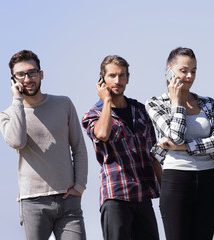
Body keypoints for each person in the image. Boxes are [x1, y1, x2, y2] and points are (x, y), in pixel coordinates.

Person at [0, 50, 88, 240]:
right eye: (20, 75)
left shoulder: (64, 104)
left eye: (32, 72)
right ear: (13, 80)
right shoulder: (7, 115)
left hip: (68, 200)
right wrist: (17, 101)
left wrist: (79, 185)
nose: (27, 79)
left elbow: (78, 147)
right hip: (32, 202)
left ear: (41, 74)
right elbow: (17, 141)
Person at [145, 47, 214, 240]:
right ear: (169, 70)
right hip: (176, 182)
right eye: (184, 70)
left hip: (208, 181)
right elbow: (176, 136)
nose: (189, 76)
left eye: (194, 71)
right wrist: (176, 103)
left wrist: (184, 147)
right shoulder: (155, 103)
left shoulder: (208, 103)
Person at [82, 55, 161, 240]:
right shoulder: (93, 115)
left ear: (127, 78)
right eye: (112, 76)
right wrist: (107, 101)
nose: (117, 81)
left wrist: (164, 191)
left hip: (143, 194)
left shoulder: (141, 111)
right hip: (116, 195)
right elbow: (102, 134)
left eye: (122, 76)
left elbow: (153, 154)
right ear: (102, 79)